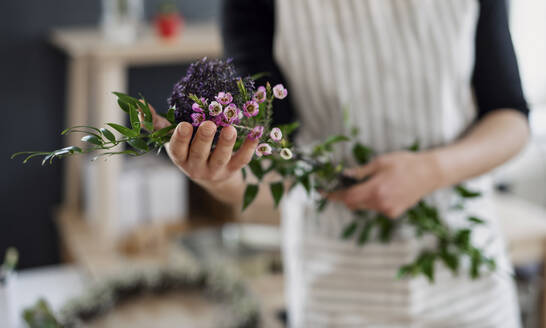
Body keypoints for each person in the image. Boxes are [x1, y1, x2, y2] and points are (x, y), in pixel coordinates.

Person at [148, 0, 530, 326]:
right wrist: (217, 177)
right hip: (337, 288)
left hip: (468, 279)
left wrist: (433, 170)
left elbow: (510, 119)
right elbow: (269, 163)